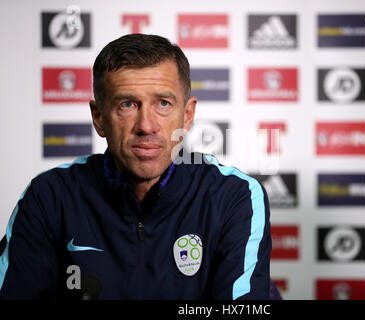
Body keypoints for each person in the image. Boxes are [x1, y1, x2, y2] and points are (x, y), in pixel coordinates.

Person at [0, 34, 271, 299]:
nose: (146, 125)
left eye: (163, 103)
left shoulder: (235, 196)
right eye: (127, 104)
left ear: (187, 116)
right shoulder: (49, 196)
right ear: (99, 117)